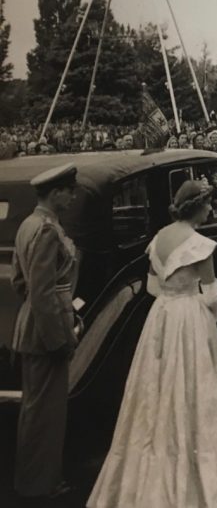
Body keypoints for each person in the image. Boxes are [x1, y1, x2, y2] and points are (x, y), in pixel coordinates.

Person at [87, 181, 217, 507]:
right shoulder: (199, 244)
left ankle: (161, 451)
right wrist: (207, 319)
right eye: (208, 205)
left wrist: (172, 299)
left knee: (157, 385)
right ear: (199, 206)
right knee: (195, 385)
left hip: (162, 315)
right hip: (189, 315)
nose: (210, 210)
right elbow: (213, 294)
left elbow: (151, 287)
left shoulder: (159, 238)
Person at [11, 163, 79, 500]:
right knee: (47, 414)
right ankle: (42, 485)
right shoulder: (48, 230)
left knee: (35, 409)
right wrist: (59, 337)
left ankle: (33, 479)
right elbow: (41, 291)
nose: (73, 196)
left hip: (34, 325)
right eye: (69, 190)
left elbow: (19, 282)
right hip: (46, 330)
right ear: (56, 192)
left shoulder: (29, 224)